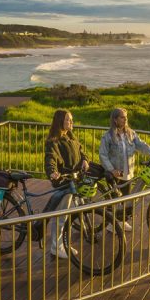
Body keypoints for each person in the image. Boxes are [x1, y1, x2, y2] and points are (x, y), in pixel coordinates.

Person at [99, 108, 150, 231]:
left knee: (126, 199)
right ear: (115, 119)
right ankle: (112, 224)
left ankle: (121, 221)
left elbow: (141, 145)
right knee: (116, 201)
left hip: (128, 173)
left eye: (126, 116)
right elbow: (103, 155)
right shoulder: (108, 136)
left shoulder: (131, 134)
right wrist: (111, 169)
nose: (125, 119)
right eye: (122, 117)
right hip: (115, 174)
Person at [44, 109, 88, 259]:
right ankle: (56, 247)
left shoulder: (70, 135)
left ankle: (64, 244)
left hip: (74, 181)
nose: (72, 122)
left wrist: (85, 160)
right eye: (69, 120)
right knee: (61, 217)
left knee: (69, 215)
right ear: (60, 122)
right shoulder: (53, 141)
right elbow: (50, 158)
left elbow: (81, 150)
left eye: (71, 119)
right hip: (64, 182)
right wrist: (52, 172)